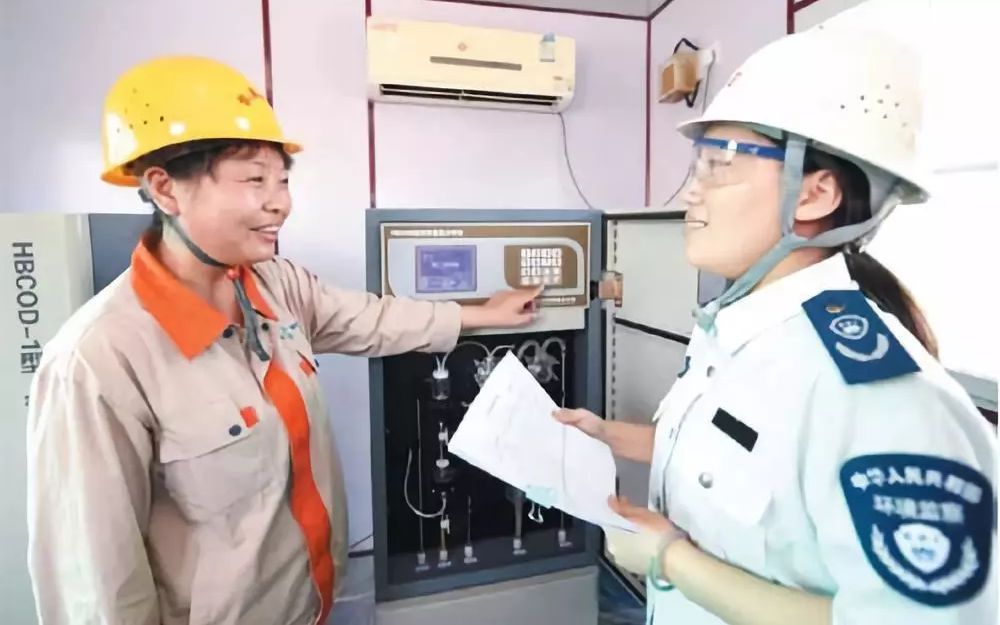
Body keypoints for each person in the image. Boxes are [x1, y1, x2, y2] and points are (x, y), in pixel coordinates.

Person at [25, 55, 541, 625]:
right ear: (165, 189)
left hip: (307, 607)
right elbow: (95, 586)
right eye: (254, 181)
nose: (281, 203)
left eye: (283, 181)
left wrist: (483, 314)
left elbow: (371, 319)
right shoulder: (98, 360)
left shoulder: (274, 284)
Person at [556, 23, 996, 625]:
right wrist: (605, 434)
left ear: (814, 195)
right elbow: (724, 453)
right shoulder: (736, 330)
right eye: (698, 164)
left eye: (720, 164)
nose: (690, 192)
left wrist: (670, 559)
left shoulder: (885, 400)